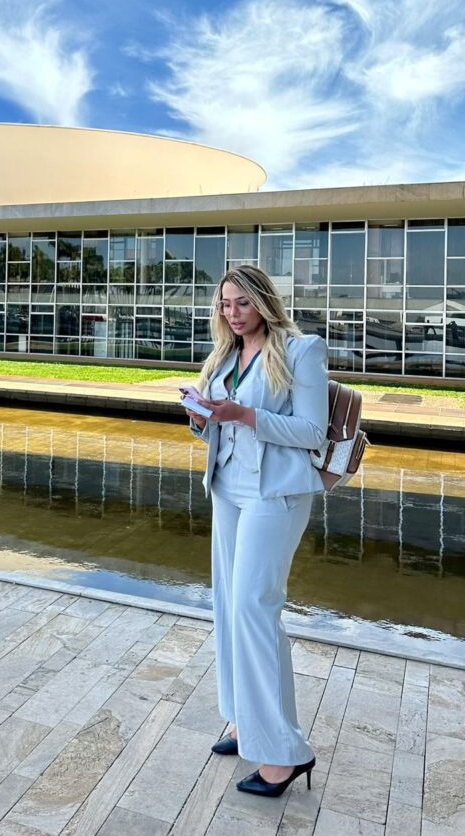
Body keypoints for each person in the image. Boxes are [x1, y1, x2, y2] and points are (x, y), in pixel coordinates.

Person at [181, 264, 328, 798]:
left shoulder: (301, 349)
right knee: (227, 605)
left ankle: (283, 754)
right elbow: (213, 421)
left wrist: (244, 414)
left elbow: (312, 431)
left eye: (242, 303)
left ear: (263, 301)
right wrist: (201, 418)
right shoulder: (222, 354)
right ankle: (244, 720)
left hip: (276, 494)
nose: (232, 314)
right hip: (227, 489)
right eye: (224, 304)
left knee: (254, 610)